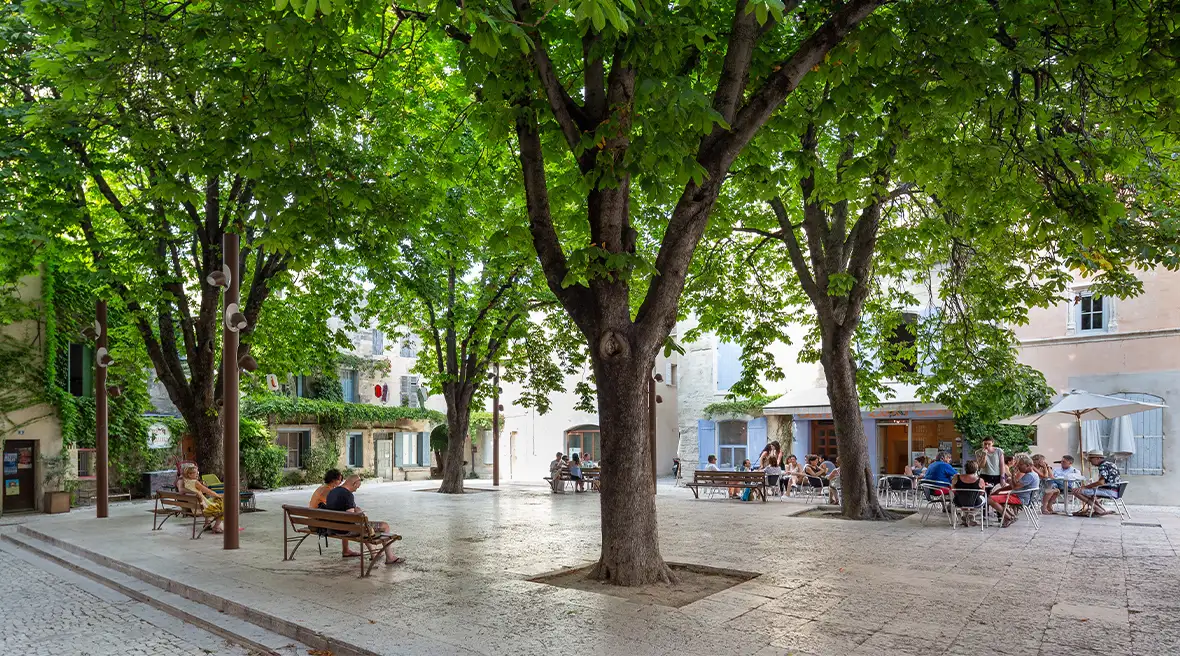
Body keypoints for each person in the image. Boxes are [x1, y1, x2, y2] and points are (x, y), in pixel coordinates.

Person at [324, 475, 403, 565]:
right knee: (384, 526)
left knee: (364, 526)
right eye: (357, 486)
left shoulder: (332, 492)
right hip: (345, 530)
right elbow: (351, 518)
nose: (356, 489)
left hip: (333, 528)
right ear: (354, 483)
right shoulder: (348, 495)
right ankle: (390, 557)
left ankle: (373, 554)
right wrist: (360, 512)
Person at [310, 469, 358, 557]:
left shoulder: (322, 488)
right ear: (333, 480)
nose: (341, 482)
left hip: (314, 520)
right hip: (319, 523)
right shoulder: (328, 491)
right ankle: (346, 550)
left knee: (343, 518)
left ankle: (346, 550)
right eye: (339, 480)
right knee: (345, 520)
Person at [988, 454, 1040, 527]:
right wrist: (999, 490)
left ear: (1028, 465)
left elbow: (1015, 487)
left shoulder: (1030, 476)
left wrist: (1013, 475)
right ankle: (1011, 516)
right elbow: (1012, 486)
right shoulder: (1033, 474)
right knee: (995, 496)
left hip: (1020, 499)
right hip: (1018, 496)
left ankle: (1009, 518)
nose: (1018, 467)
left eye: (1020, 465)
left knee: (990, 499)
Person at [1071, 450, 1121, 516]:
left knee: (1075, 491)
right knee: (1088, 493)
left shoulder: (1102, 466)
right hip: (1116, 491)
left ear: (1098, 458)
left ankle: (1098, 509)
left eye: (1091, 459)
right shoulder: (1111, 464)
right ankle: (1101, 509)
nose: (1090, 461)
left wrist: (1085, 487)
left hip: (1109, 491)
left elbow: (1101, 482)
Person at [179, 464, 226, 534]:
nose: (198, 474)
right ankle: (216, 526)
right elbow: (208, 491)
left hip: (195, 506)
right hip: (203, 507)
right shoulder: (195, 482)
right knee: (224, 506)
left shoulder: (186, 482)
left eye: (197, 472)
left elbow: (182, 490)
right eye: (196, 473)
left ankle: (207, 524)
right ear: (189, 474)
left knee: (214, 500)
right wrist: (218, 496)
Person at [950, 461, 987, 526]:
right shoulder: (980, 480)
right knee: (982, 499)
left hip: (959, 501)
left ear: (965, 468)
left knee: (963, 499)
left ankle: (966, 518)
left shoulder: (956, 477)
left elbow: (953, 489)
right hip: (975, 502)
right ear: (976, 469)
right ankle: (971, 515)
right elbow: (982, 493)